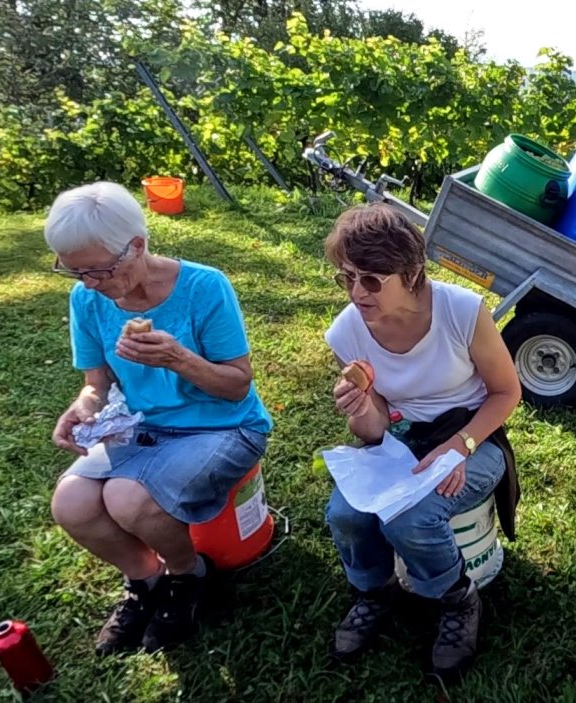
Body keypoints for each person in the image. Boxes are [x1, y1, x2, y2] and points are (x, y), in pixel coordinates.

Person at [45, 182, 272, 654]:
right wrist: (85, 404)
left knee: (126, 498)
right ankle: (145, 580)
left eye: (101, 270)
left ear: (138, 247)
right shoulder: (87, 301)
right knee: (71, 505)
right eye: (75, 271)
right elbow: (97, 383)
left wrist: (178, 359)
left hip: (224, 425)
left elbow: (237, 386)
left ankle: (187, 577)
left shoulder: (204, 287)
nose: (90, 283)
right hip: (144, 426)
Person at [322, 203, 522, 679]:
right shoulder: (347, 331)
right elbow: (373, 431)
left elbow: (506, 392)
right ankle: (374, 592)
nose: (355, 292)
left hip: (475, 433)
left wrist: (460, 446)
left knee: (411, 519)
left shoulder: (461, 311)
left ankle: (457, 600)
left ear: (410, 273)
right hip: (404, 438)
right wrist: (361, 407)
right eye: (345, 277)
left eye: (371, 279)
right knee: (346, 512)